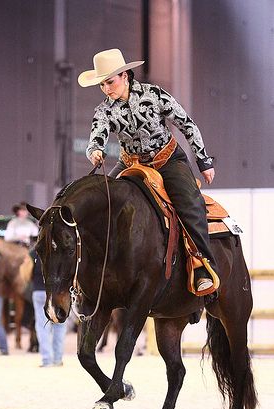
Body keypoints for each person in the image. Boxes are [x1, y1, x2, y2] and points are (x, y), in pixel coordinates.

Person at [78, 48, 219, 294]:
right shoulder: (104, 110)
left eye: (109, 82)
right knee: (103, 204)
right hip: (130, 163)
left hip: (167, 160)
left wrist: (203, 161)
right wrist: (95, 150)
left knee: (189, 203)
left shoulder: (154, 95)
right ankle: (99, 272)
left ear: (124, 75)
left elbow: (186, 124)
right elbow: (96, 136)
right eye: (101, 85)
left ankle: (202, 266)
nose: (106, 89)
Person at [30, 249, 66, 367]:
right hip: (59, 292)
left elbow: (25, 273)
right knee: (60, 324)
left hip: (39, 290)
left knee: (42, 326)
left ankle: (47, 359)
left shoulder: (35, 252)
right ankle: (57, 358)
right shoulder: (63, 251)